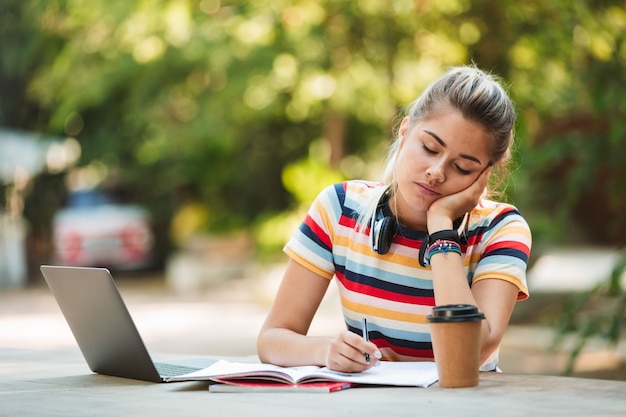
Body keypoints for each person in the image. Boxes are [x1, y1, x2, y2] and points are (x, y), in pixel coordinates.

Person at [257, 65, 531, 373]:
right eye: (429, 148)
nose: (437, 172)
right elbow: (272, 339)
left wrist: (441, 228)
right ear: (404, 132)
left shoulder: (502, 229)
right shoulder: (339, 208)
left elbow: (472, 350)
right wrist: (325, 350)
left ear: (484, 175)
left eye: (463, 168)